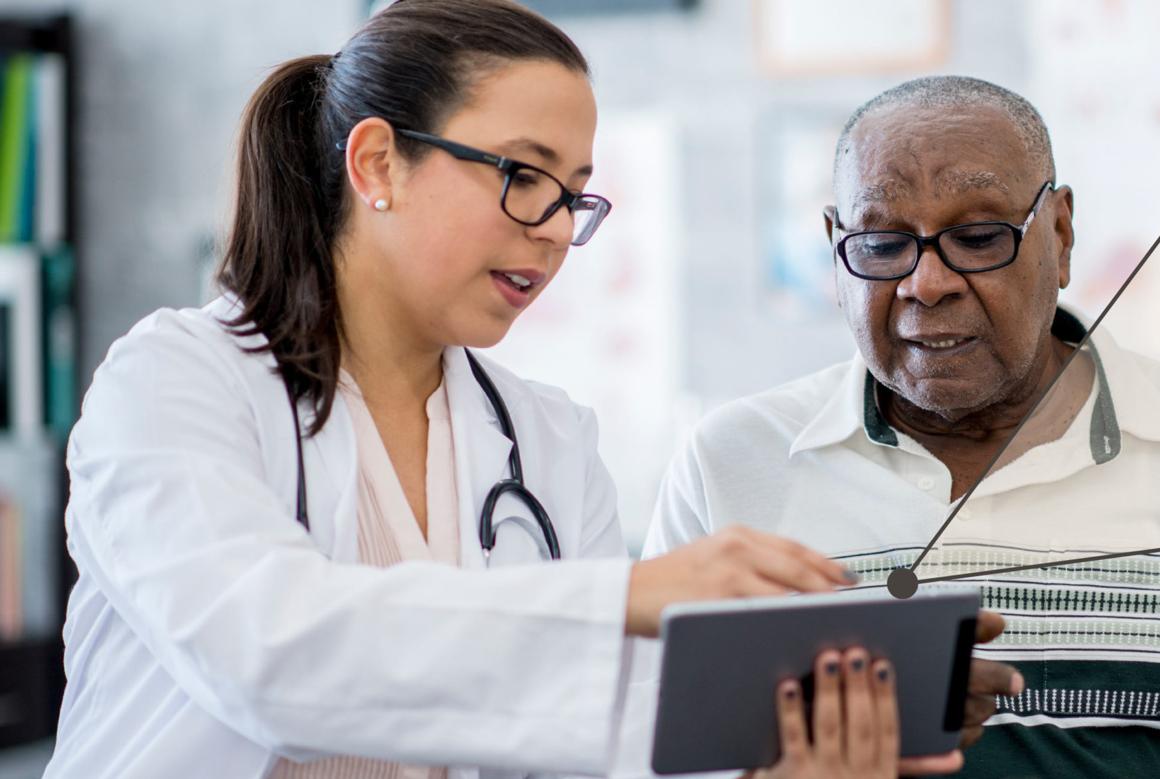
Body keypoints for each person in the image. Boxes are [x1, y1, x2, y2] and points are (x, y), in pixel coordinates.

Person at [46, 3, 961, 777]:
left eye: (574, 195)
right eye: (524, 177)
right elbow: (263, 652)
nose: (556, 229)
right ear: (376, 165)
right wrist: (626, 597)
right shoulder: (174, 381)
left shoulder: (546, 438)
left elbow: (611, 722)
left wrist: (831, 701)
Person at [645, 76, 1160, 777]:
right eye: (880, 244)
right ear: (836, 250)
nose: (925, 283)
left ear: (1060, 236)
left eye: (977, 237)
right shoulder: (730, 465)